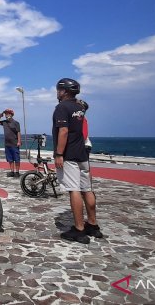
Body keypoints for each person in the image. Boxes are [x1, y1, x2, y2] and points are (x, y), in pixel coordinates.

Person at [52, 78, 103, 244]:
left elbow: (64, 131)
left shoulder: (62, 107)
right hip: (82, 154)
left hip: (70, 155)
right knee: (87, 189)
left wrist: (59, 154)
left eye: (59, 90)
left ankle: (79, 229)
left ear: (64, 91)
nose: (57, 93)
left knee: (74, 189)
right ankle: (93, 226)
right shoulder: (80, 108)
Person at [0, 108, 22, 177]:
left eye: (7, 113)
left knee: (16, 158)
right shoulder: (4, 122)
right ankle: (12, 171)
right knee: (10, 159)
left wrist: (19, 141)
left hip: (14, 143)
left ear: (11, 114)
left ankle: (17, 172)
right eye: (5, 113)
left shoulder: (16, 123)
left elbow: (18, 132)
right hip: (7, 144)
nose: (6, 115)